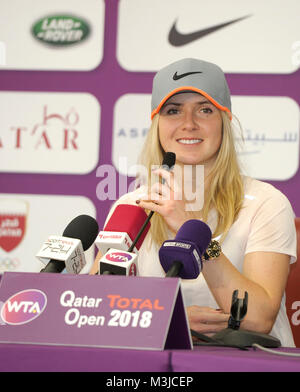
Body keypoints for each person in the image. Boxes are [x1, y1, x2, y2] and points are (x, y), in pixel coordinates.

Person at [90, 58, 297, 347]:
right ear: (157, 125)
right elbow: (92, 308)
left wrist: (191, 228)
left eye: (204, 109)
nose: (189, 124)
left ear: (224, 122)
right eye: (173, 111)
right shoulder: (131, 206)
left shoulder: (266, 203)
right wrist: (170, 321)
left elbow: (258, 318)